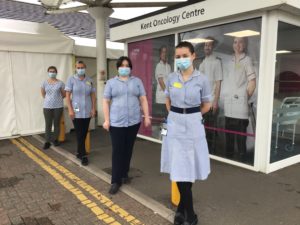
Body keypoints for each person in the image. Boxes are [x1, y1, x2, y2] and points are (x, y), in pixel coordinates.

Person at [161, 42, 212, 225]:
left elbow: (207, 104)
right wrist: (174, 115)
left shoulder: (202, 79)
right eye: (178, 56)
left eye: (184, 55)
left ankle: (182, 210)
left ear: (193, 56)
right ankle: (190, 214)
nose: (181, 59)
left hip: (193, 126)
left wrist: (192, 115)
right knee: (178, 166)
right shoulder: (171, 77)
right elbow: (167, 98)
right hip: (174, 125)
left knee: (189, 167)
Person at [103, 56, 151, 195]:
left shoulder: (137, 82)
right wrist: (106, 120)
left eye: (127, 65)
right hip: (116, 122)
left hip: (133, 122)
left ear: (130, 68)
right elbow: (105, 101)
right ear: (118, 68)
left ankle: (124, 173)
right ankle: (115, 180)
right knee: (118, 150)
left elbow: (143, 99)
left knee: (128, 149)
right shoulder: (111, 83)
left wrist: (146, 116)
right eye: (122, 65)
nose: (125, 68)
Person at [224, 37, 256, 160]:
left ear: (245, 44)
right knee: (229, 137)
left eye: (241, 42)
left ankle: (241, 161)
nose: (238, 45)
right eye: (235, 42)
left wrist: (244, 97)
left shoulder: (247, 60)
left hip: (240, 108)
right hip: (228, 106)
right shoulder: (230, 60)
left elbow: (252, 82)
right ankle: (228, 160)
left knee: (241, 138)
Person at [65, 61, 96, 166]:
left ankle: (79, 152)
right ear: (75, 68)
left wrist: (93, 109)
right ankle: (83, 155)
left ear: (85, 68)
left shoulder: (90, 80)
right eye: (78, 67)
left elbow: (92, 96)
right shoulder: (71, 79)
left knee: (83, 132)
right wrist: (70, 110)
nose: (80, 69)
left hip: (87, 110)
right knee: (80, 133)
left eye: (82, 67)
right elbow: (68, 96)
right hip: (76, 110)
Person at [199, 37, 223, 153]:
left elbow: (218, 83)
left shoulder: (216, 62)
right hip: (202, 103)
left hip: (211, 102)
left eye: (209, 45)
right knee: (202, 127)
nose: (207, 47)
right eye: (205, 45)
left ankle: (211, 152)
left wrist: (216, 102)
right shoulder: (202, 63)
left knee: (210, 129)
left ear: (213, 47)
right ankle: (204, 150)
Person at [41, 66, 65, 149]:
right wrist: (49, 100)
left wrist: (56, 99)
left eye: (54, 71)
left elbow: (64, 94)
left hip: (58, 106)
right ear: (48, 72)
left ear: (56, 72)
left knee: (56, 124)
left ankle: (55, 139)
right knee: (48, 124)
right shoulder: (44, 83)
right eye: (50, 71)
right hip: (47, 106)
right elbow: (43, 94)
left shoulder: (60, 83)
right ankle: (47, 141)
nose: (52, 72)